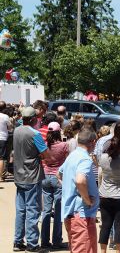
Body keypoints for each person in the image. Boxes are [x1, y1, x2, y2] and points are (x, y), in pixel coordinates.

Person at [13, 107, 52, 252]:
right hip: (32, 176)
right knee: (33, 210)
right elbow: (46, 155)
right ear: (34, 119)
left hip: (19, 175)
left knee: (20, 210)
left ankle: (18, 242)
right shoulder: (35, 134)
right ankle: (32, 244)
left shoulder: (17, 130)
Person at [58, 127, 99, 253]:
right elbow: (80, 180)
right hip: (81, 215)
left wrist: (68, 188)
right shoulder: (84, 159)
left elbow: (59, 174)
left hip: (72, 213)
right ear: (92, 142)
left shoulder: (73, 155)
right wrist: (87, 199)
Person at [40, 122, 69, 249]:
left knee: (46, 211)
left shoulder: (45, 145)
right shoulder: (64, 145)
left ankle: (44, 241)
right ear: (59, 132)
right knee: (58, 211)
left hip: (45, 176)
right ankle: (57, 241)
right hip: (59, 178)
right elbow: (67, 162)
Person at [98, 137, 120, 253]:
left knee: (105, 225)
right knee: (119, 226)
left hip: (104, 194)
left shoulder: (103, 158)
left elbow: (100, 174)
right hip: (119, 195)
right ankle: (118, 251)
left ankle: (103, 251)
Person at [0, 101, 12, 182]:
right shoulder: (5, 117)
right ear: (4, 108)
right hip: (3, 138)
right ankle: (0, 177)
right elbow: (10, 127)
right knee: (1, 158)